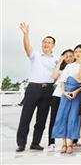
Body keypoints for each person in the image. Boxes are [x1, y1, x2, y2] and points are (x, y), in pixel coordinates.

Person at [16, 22, 58, 153]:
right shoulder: (36, 55)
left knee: (42, 118)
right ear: (42, 44)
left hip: (48, 89)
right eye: (44, 42)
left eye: (49, 42)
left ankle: (35, 143)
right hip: (33, 88)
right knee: (26, 117)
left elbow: (60, 73)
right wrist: (26, 34)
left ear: (53, 45)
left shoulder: (56, 59)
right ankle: (21, 143)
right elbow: (27, 47)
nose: (46, 44)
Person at [51, 45, 81, 154]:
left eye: (80, 52)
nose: (78, 53)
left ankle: (70, 143)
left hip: (77, 93)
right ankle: (64, 143)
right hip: (66, 93)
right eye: (76, 51)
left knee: (73, 117)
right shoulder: (69, 66)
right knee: (63, 116)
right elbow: (63, 81)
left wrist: (76, 92)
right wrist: (64, 92)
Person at [47, 49, 73, 151]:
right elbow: (54, 76)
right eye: (66, 56)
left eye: (71, 56)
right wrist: (60, 62)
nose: (68, 58)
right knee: (54, 119)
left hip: (70, 96)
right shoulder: (61, 69)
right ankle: (51, 142)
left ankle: (72, 141)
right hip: (58, 96)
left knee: (70, 118)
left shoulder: (75, 68)